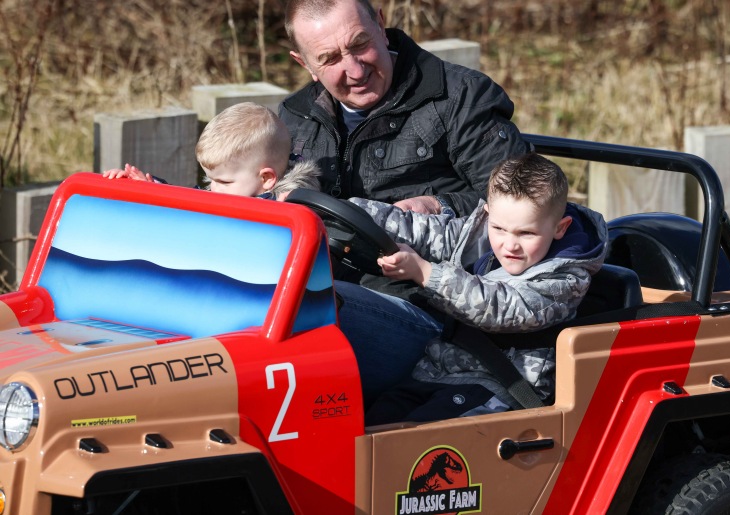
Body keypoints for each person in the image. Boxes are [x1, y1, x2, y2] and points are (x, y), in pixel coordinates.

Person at [350, 153, 610, 424]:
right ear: (487, 216)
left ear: (560, 228)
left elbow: (500, 306)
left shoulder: (565, 280)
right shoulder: (478, 236)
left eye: (526, 233)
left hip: (499, 387)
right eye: (499, 228)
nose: (510, 244)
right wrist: (350, 212)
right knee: (370, 424)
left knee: (398, 442)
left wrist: (425, 273)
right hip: (437, 370)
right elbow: (422, 230)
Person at [280, 0, 531, 217]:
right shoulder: (293, 117)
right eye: (331, 59)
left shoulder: (461, 97)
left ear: (380, 25)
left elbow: (524, 200)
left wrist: (439, 206)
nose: (356, 71)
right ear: (305, 64)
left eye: (360, 44)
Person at [103, 102, 320, 199]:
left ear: (266, 178)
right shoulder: (231, 191)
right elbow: (188, 200)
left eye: (224, 182)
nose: (214, 189)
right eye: (211, 180)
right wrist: (151, 189)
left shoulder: (288, 209)